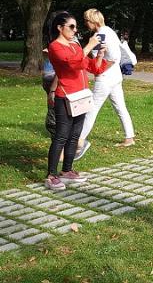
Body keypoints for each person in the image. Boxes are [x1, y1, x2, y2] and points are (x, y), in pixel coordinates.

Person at [46, 11, 107, 190]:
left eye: (76, 27)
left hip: (80, 96)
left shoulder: (75, 46)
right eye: (71, 27)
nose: (75, 30)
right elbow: (72, 63)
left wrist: (100, 55)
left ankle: (67, 170)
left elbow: (91, 67)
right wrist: (88, 46)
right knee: (61, 136)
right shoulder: (55, 47)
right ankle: (51, 175)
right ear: (60, 28)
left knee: (74, 136)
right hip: (65, 96)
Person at [76, 8, 135, 160]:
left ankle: (79, 140)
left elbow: (113, 57)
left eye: (86, 21)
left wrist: (99, 70)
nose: (85, 24)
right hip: (115, 77)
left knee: (92, 109)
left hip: (105, 79)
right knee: (120, 107)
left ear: (92, 21)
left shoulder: (100, 34)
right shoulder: (109, 31)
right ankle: (129, 137)